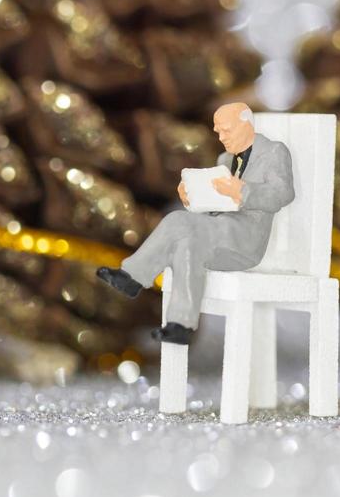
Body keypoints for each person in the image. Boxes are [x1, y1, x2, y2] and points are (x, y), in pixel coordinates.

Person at [96, 102, 294, 344]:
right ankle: (180, 325)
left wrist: (243, 191)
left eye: (227, 130)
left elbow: (283, 194)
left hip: (245, 241)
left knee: (179, 219)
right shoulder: (225, 158)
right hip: (216, 235)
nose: (221, 137)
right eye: (218, 131)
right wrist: (193, 196)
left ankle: (133, 276)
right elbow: (215, 203)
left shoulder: (273, 152)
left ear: (246, 123)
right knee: (188, 247)